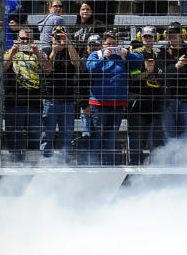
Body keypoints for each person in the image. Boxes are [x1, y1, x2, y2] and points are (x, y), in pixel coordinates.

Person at [85, 31, 142, 165]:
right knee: (97, 136)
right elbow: (90, 68)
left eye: (113, 43)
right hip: (99, 104)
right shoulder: (96, 54)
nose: (111, 46)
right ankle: (93, 165)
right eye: (108, 44)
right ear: (102, 45)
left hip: (118, 103)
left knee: (110, 137)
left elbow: (139, 62)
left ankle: (108, 165)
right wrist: (103, 58)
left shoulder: (122, 56)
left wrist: (127, 53)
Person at [3, 26, 52, 163]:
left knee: (34, 139)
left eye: (28, 40)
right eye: (22, 39)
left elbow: (48, 69)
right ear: (17, 39)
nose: (24, 42)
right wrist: (12, 52)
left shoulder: (39, 53)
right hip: (14, 103)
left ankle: (33, 166)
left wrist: (36, 52)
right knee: (14, 138)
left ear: (33, 40)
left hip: (34, 104)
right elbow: (1, 69)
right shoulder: (9, 52)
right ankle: (15, 166)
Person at [159, 22, 187, 145]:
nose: (172, 36)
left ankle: (184, 162)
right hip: (168, 100)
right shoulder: (162, 51)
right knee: (169, 136)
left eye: (175, 34)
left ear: (181, 35)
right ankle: (171, 163)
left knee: (186, 135)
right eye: (169, 34)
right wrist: (176, 66)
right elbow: (159, 74)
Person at [39, 26, 81, 163]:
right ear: (51, 37)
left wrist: (67, 42)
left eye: (61, 35)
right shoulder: (46, 50)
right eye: (56, 36)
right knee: (47, 135)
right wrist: (54, 50)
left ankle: (66, 163)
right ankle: (46, 163)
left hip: (68, 100)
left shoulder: (71, 50)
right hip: (50, 99)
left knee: (67, 135)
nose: (58, 38)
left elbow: (76, 63)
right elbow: (47, 69)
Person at [127, 48, 164, 165]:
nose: (150, 61)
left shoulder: (160, 57)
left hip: (156, 104)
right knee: (136, 140)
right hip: (138, 105)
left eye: (152, 59)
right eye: (148, 59)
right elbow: (134, 77)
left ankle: (156, 167)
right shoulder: (136, 58)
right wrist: (148, 71)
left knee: (156, 140)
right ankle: (136, 166)